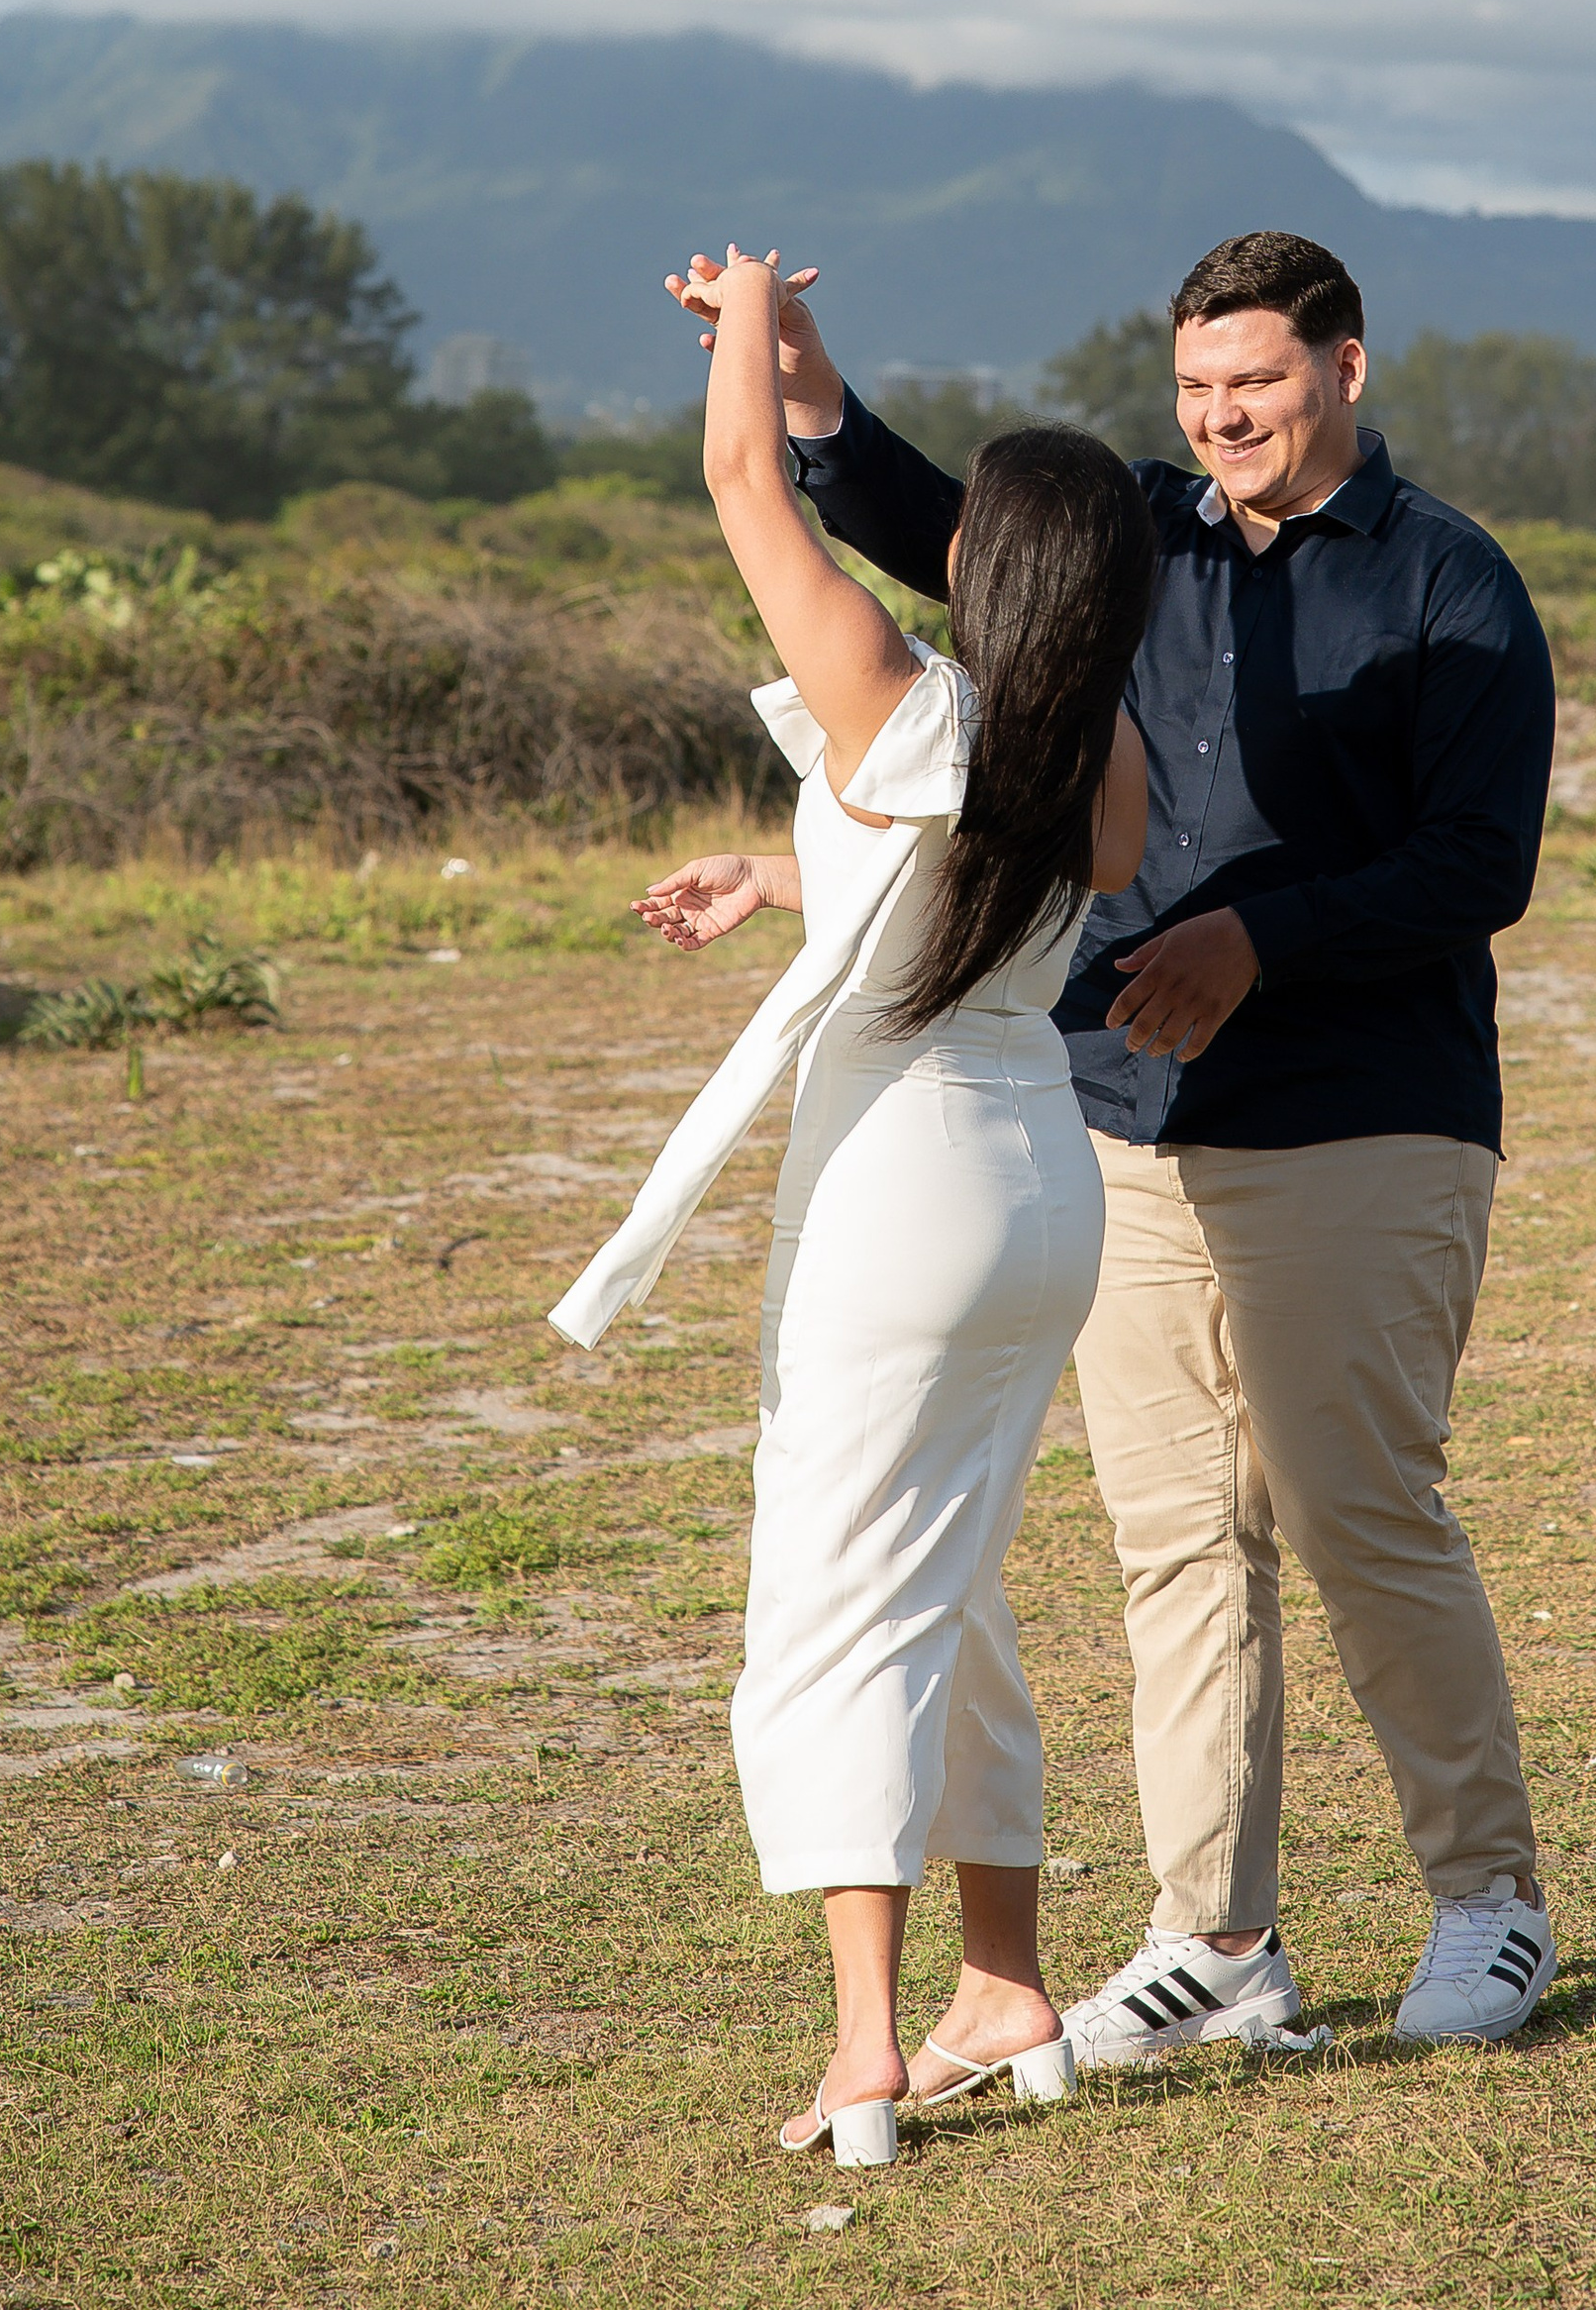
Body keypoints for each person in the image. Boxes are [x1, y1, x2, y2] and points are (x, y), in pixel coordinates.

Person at [676, 229, 1559, 2057]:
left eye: (1260, 381)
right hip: (1123, 1120)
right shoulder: (1135, 542)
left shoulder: (1451, 585)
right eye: (1196, 390)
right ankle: (1218, 1937)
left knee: (1354, 1507)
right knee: (1175, 1538)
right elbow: (948, 530)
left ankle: (1488, 1903)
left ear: (1347, 372)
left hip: (1365, 1115)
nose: (1225, 415)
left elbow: (1483, 864)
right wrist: (813, 386)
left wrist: (1264, 937)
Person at [549, 244, 1155, 2168]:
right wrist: (793, 871)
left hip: (901, 1184)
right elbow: (968, 897)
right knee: (948, 1577)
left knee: (830, 1596)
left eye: (971, 522)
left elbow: (744, 493)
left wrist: (742, 318)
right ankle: (1006, 1987)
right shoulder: (1095, 751)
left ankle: (865, 2046)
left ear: (995, 564)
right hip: (1039, 1180)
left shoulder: (899, 695)